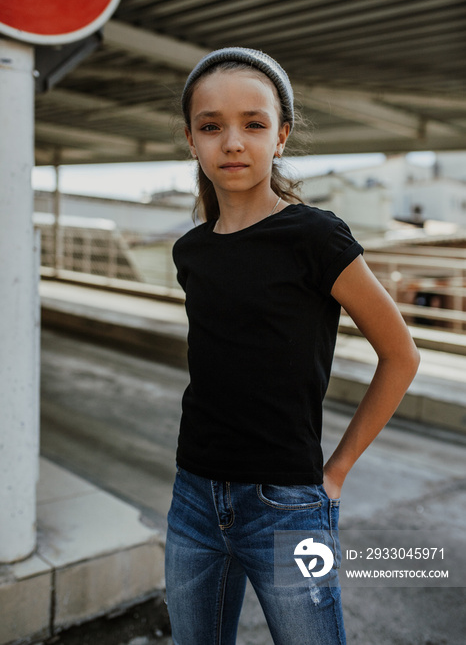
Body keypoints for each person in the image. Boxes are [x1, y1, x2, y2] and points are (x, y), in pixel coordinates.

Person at [165, 47, 420, 645]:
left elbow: (402, 354)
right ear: (191, 140)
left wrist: (335, 474)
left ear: (281, 137)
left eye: (253, 124)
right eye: (211, 126)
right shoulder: (191, 251)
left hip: (289, 507)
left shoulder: (315, 235)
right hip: (194, 500)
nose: (232, 141)